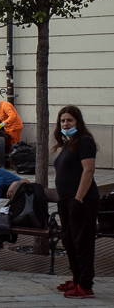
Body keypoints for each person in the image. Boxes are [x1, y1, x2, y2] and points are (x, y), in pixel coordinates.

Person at [53, 105, 99, 299]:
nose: (66, 123)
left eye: (70, 120)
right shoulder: (67, 143)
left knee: (82, 243)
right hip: (66, 200)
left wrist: (78, 198)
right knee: (70, 242)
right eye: (63, 121)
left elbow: (88, 171)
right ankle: (77, 278)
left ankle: (86, 285)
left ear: (78, 122)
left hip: (81, 200)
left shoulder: (84, 141)